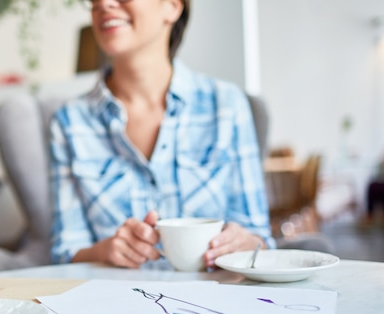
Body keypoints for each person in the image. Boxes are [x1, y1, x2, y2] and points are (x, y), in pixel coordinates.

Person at [49, 0, 274, 269]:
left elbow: (259, 237)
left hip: (216, 301)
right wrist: (105, 251)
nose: (103, 4)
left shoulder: (226, 105)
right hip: (116, 302)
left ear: (172, 6)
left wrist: (244, 242)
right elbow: (65, 252)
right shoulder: (69, 122)